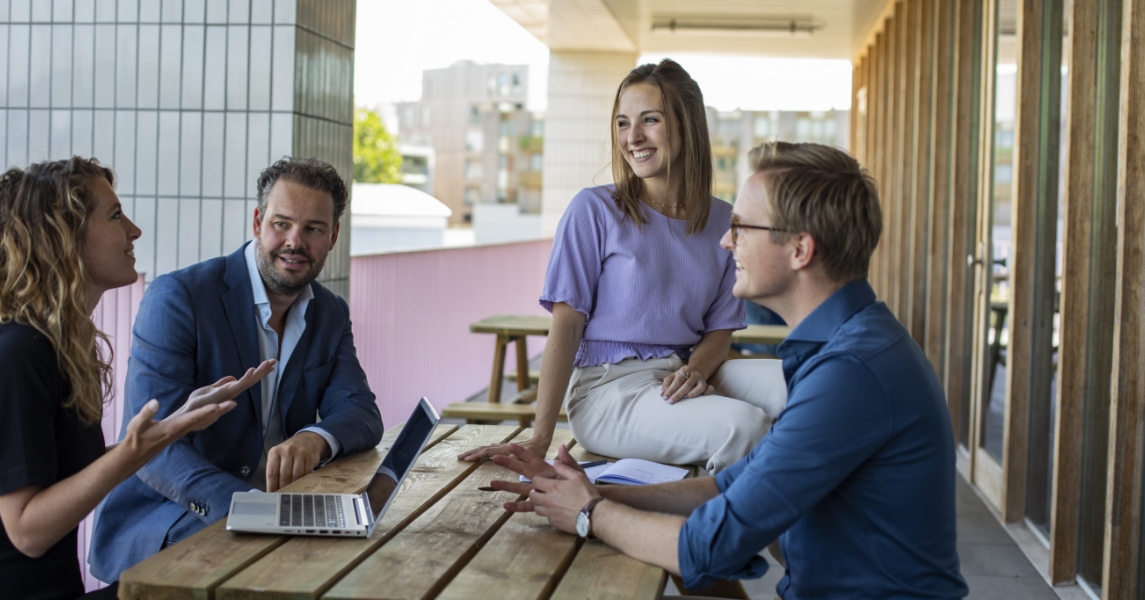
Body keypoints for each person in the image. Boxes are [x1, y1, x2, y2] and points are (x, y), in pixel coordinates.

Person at [490, 142, 969, 599]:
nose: (724, 240)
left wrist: (590, 513)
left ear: (800, 250)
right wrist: (595, 492)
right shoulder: (848, 345)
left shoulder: (851, 373)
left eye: (741, 227)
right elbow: (731, 485)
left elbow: (707, 546)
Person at [460, 60, 786, 474]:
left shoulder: (724, 221)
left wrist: (695, 372)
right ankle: (710, 534)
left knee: (806, 387)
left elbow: (719, 332)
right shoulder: (593, 210)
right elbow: (567, 324)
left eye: (650, 120)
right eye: (622, 123)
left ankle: (827, 528)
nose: (632, 138)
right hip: (609, 391)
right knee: (743, 428)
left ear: (688, 125)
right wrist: (541, 437)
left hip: (684, 373)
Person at [89, 157, 384, 582]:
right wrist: (257, 509)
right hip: (169, 518)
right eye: (282, 223)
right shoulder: (179, 298)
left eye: (313, 229)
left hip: (274, 514)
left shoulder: (330, 312)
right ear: (257, 221)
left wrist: (313, 440)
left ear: (334, 235)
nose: (294, 241)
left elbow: (360, 410)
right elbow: (155, 449)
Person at [0, 157, 274, 600]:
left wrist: (174, 426)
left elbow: (64, 476)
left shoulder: (55, 346)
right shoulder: (19, 353)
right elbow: (27, 531)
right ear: (63, 237)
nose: (134, 230)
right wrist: (136, 448)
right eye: (114, 216)